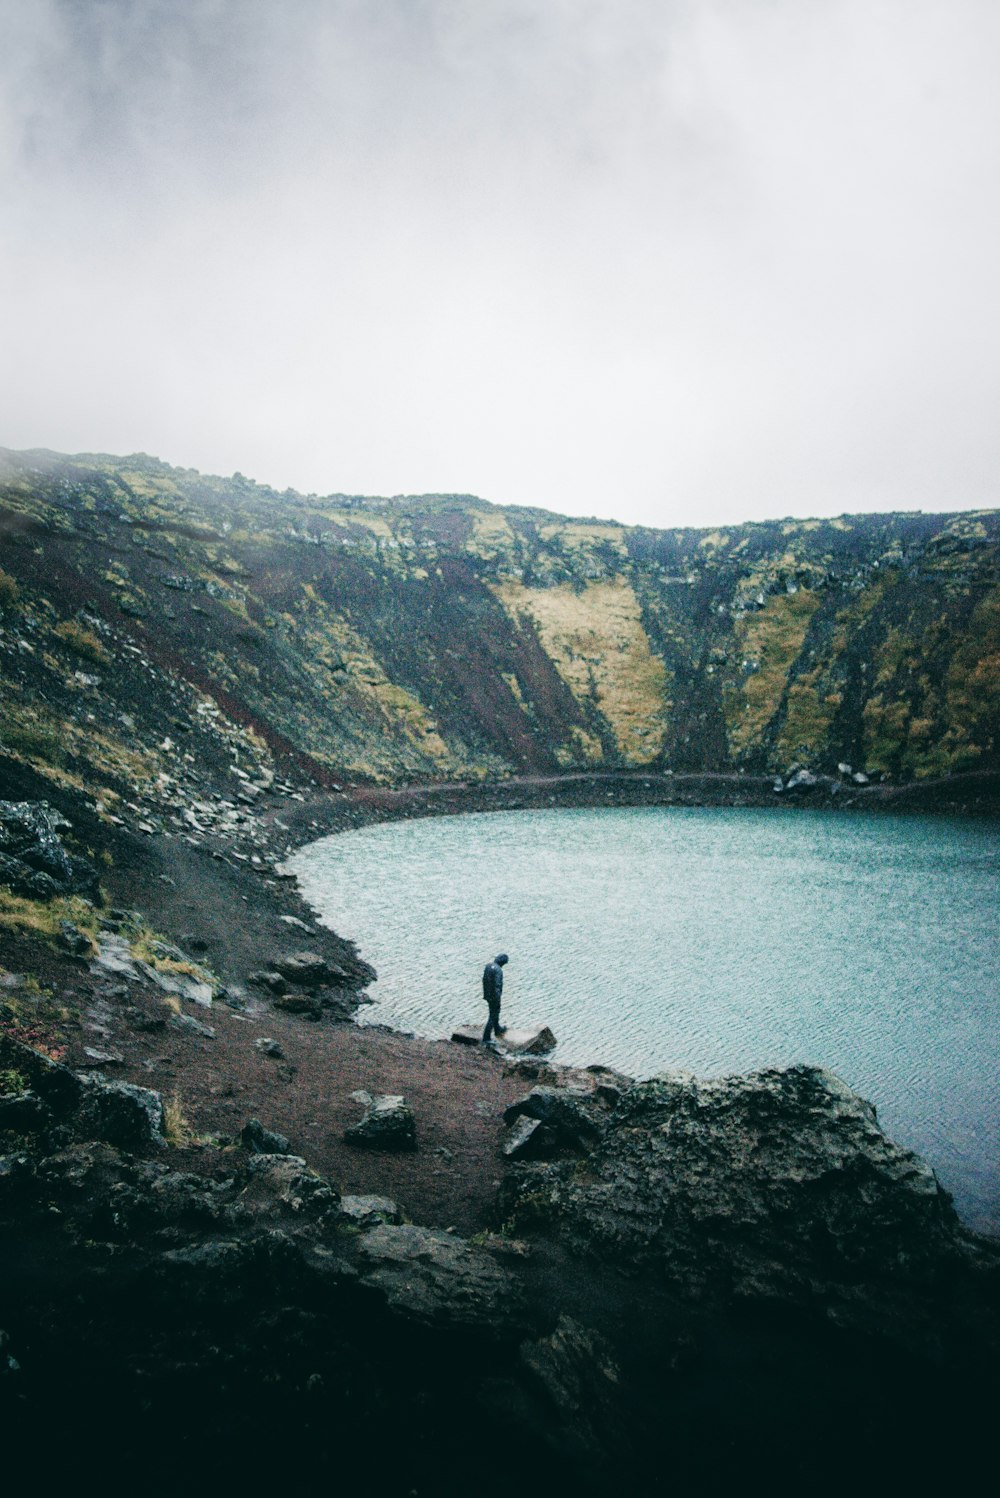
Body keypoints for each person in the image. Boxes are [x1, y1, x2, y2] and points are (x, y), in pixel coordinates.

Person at [481, 953, 509, 1045]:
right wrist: (497, 997)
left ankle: (497, 1029)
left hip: (488, 994)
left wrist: (486, 995)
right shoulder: (498, 970)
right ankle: (486, 1037)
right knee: (493, 1015)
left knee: (493, 1012)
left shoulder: (488, 966)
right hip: (494, 996)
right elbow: (497, 985)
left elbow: (484, 980)